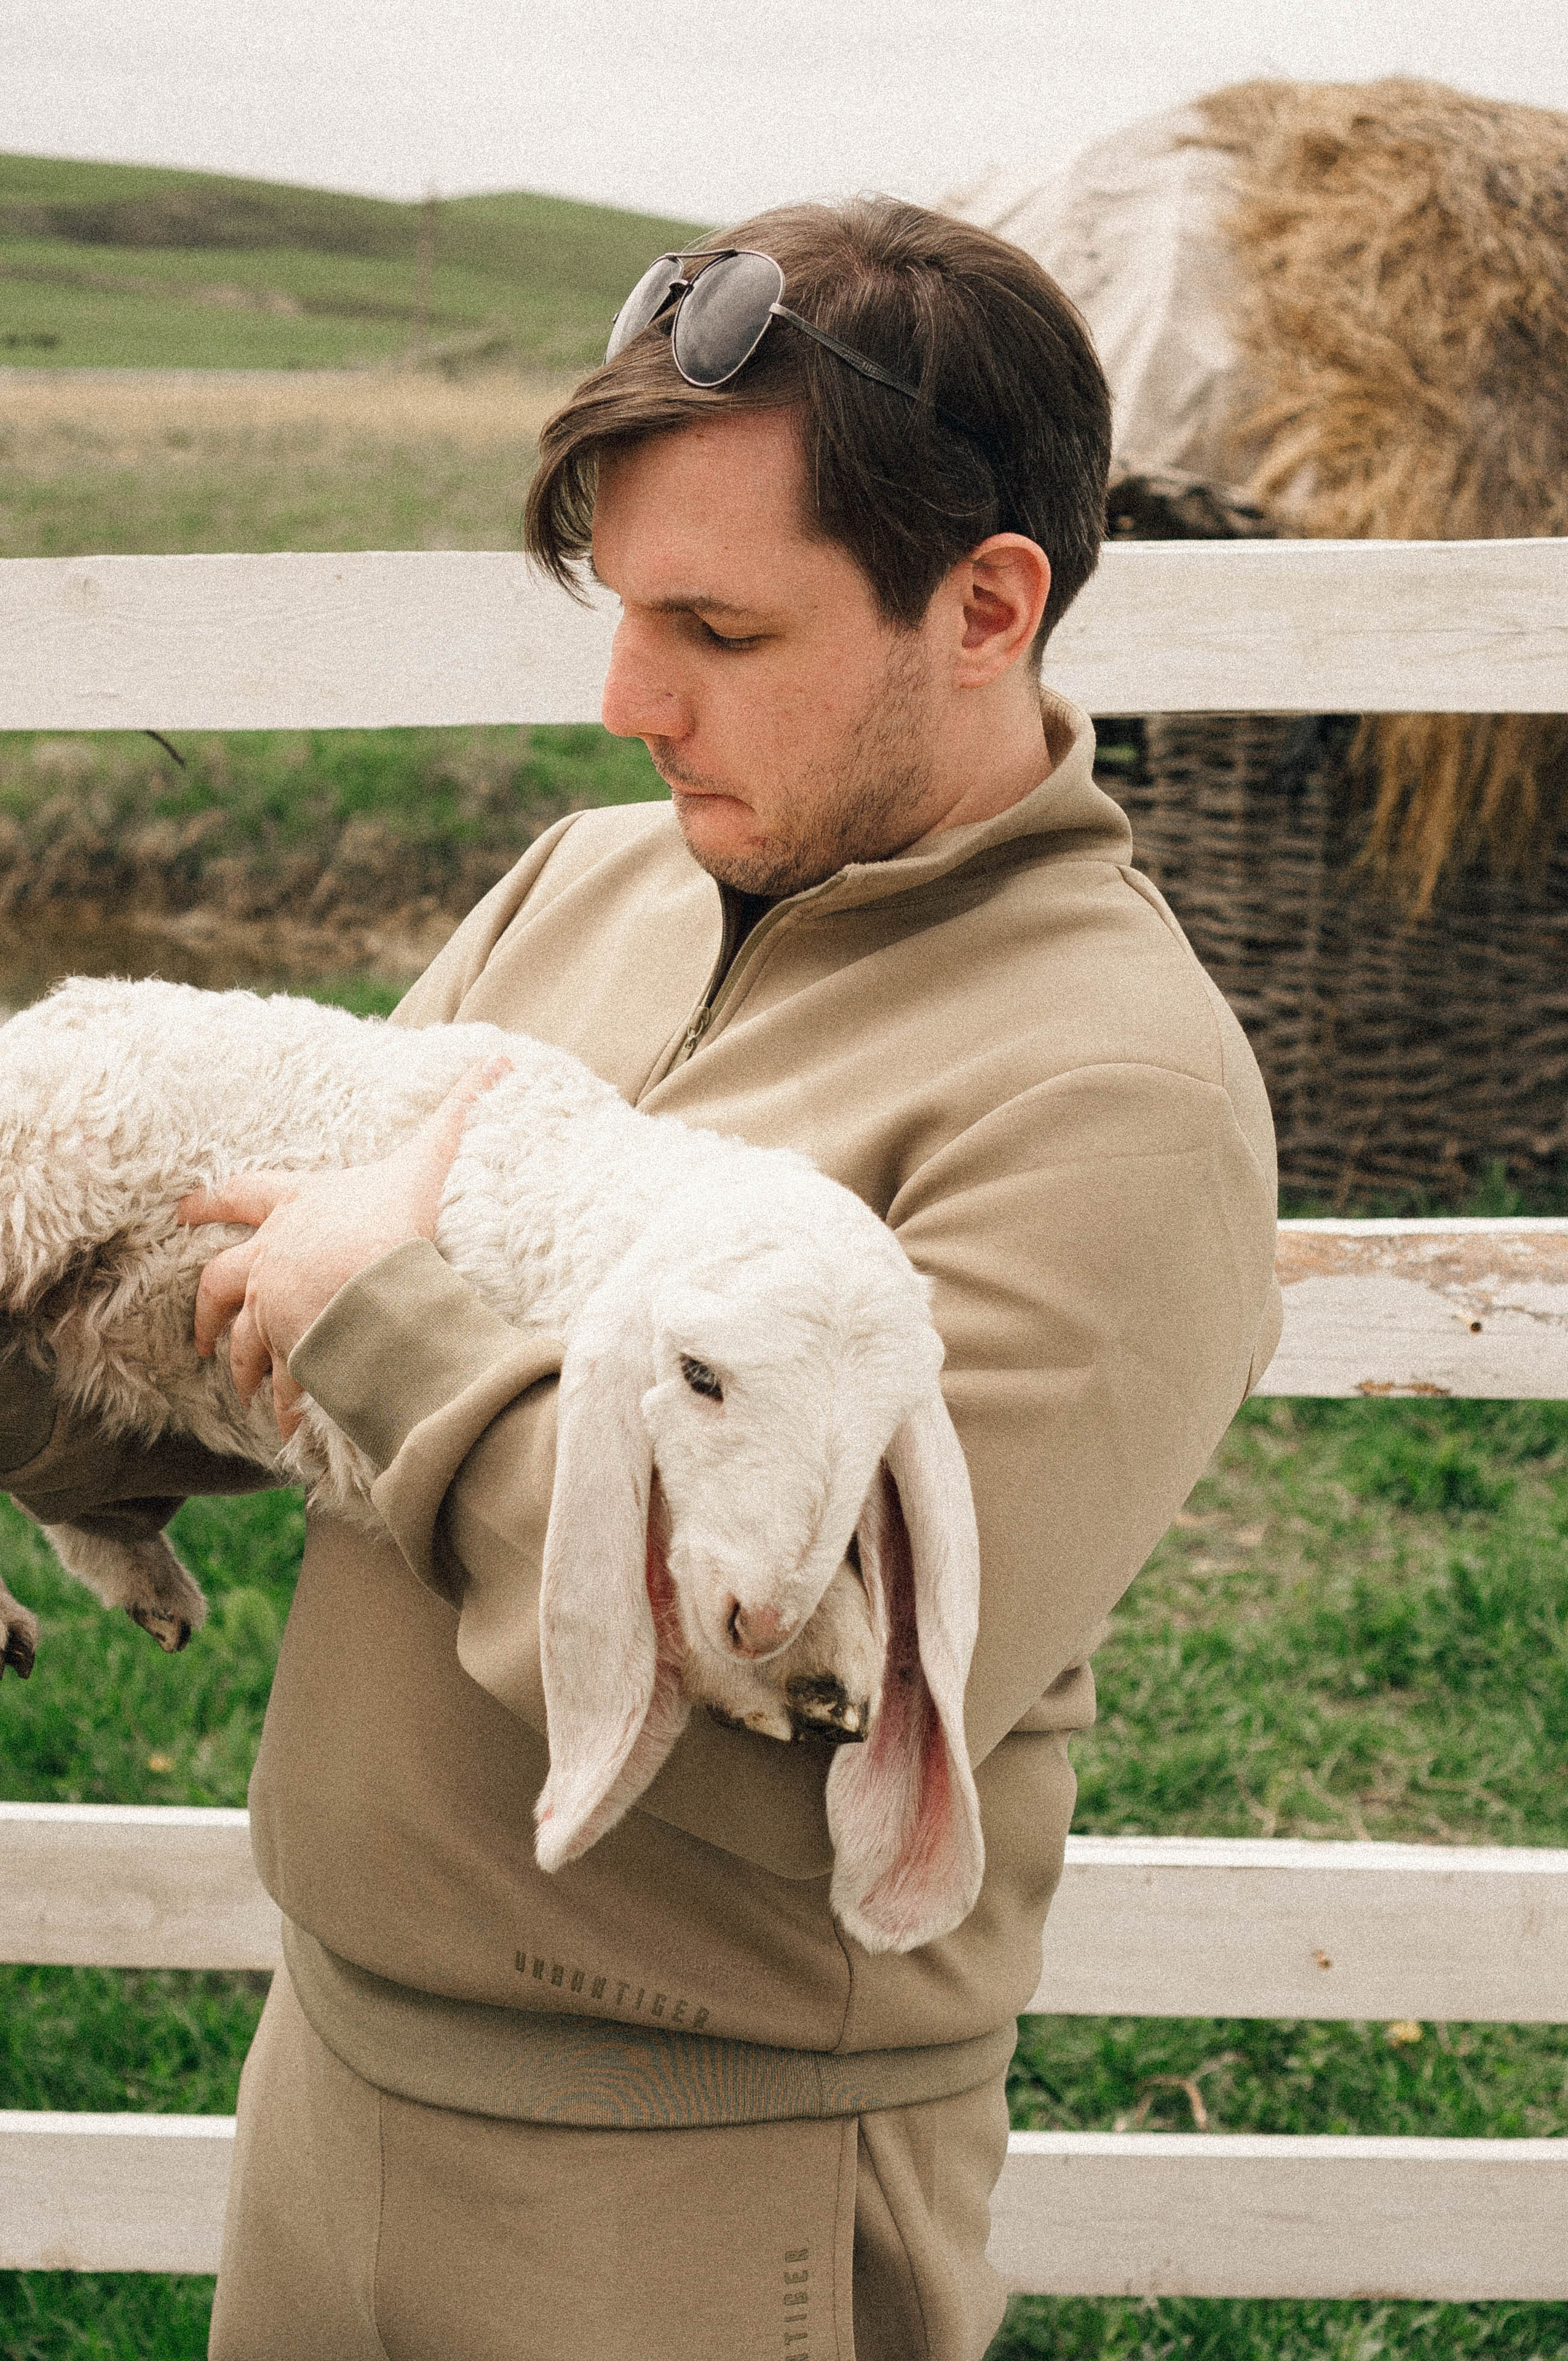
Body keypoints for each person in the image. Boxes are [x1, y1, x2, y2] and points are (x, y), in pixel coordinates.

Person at [0, 199, 1280, 2360]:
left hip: (695, 2190)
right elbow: (269, 1359)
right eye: (618, 606)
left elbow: (823, 1706)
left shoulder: (1117, 1094)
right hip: (330, 2085)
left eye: (720, 627)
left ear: (987, 607)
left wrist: (388, 1327)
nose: (623, 700)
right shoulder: (590, 881)